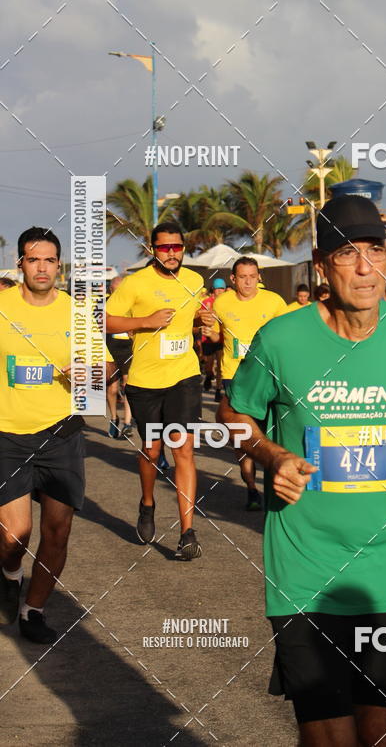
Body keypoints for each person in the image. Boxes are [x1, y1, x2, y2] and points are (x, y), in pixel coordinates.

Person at [219, 195, 386, 745]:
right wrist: (271, 455)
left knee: (380, 738)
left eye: (376, 251)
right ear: (321, 266)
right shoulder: (281, 338)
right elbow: (234, 412)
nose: (367, 268)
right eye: (349, 254)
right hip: (306, 569)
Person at [0, 227, 109, 643]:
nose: (41, 267)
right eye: (33, 259)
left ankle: (34, 610)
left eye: (49, 260)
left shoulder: (77, 313)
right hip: (8, 434)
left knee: (58, 530)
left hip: (61, 433)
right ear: (20, 264)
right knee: (14, 535)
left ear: (58, 266)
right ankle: (10, 572)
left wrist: (93, 372)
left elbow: (107, 366)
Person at [106, 222, 205, 560]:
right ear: (152, 250)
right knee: (151, 451)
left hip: (185, 376)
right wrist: (144, 322)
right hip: (146, 382)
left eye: (177, 247)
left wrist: (201, 322)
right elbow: (104, 320)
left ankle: (187, 532)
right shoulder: (135, 283)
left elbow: (191, 318)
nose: (172, 253)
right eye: (164, 248)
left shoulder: (194, 281)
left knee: (184, 450)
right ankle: (147, 503)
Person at [202, 258, 286, 510]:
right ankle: (251, 488)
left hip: (267, 376)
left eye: (252, 276)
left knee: (272, 434)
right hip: (234, 375)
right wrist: (209, 332)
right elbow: (218, 335)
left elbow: (288, 335)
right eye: (243, 277)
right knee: (243, 437)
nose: (248, 281)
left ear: (258, 277)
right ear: (233, 279)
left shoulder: (273, 301)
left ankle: (275, 485)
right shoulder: (222, 302)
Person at [105, 275, 134, 440]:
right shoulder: (105, 306)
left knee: (128, 385)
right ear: (110, 291)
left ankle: (128, 423)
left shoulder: (132, 304)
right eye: (116, 292)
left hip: (128, 349)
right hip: (110, 350)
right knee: (112, 389)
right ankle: (114, 418)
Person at [198, 278, 226, 402]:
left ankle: (218, 390)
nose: (220, 291)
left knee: (220, 366)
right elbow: (199, 318)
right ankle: (209, 376)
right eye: (218, 288)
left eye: (222, 288)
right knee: (209, 366)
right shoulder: (206, 301)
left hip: (220, 337)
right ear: (213, 289)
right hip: (207, 338)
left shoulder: (227, 302)